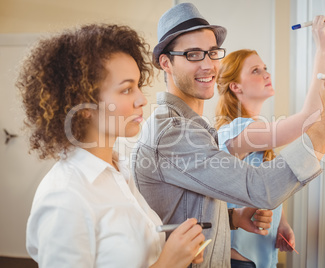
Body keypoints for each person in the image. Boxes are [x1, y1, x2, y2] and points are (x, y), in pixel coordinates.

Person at [132, 3, 325, 268]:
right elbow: (260, 188)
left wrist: (232, 218)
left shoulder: (192, 126)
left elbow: (187, 205)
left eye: (212, 53)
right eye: (194, 54)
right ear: (166, 62)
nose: (208, 64)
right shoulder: (174, 132)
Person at [18, 24, 207, 268]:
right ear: (83, 104)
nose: (141, 99)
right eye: (127, 89)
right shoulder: (65, 196)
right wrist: (168, 264)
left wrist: (179, 253)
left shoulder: (120, 171)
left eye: (138, 86)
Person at [214, 16, 325, 268]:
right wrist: (324, 49)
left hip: (260, 258)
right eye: (255, 70)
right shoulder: (237, 132)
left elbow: (267, 184)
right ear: (235, 86)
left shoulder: (253, 129)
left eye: (265, 67)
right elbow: (307, 121)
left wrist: (282, 224)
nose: (266, 74)